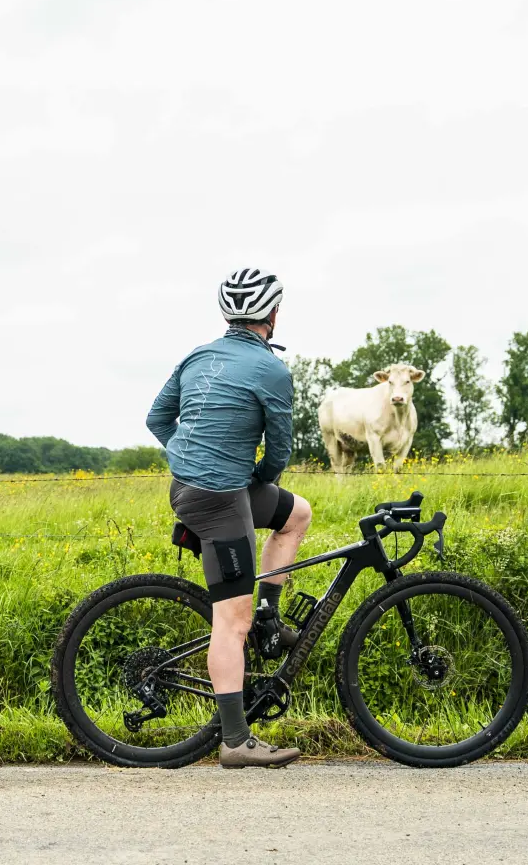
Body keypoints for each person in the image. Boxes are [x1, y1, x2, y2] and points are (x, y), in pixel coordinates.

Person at [145, 267, 314, 769]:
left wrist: (187, 457)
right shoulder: (273, 372)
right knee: (230, 622)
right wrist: (255, 474)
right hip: (219, 499)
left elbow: (157, 419)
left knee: (295, 514)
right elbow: (279, 451)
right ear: (274, 314)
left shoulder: (198, 356)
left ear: (227, 313)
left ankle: (270, 614)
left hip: (202, 487)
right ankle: (236, 742)